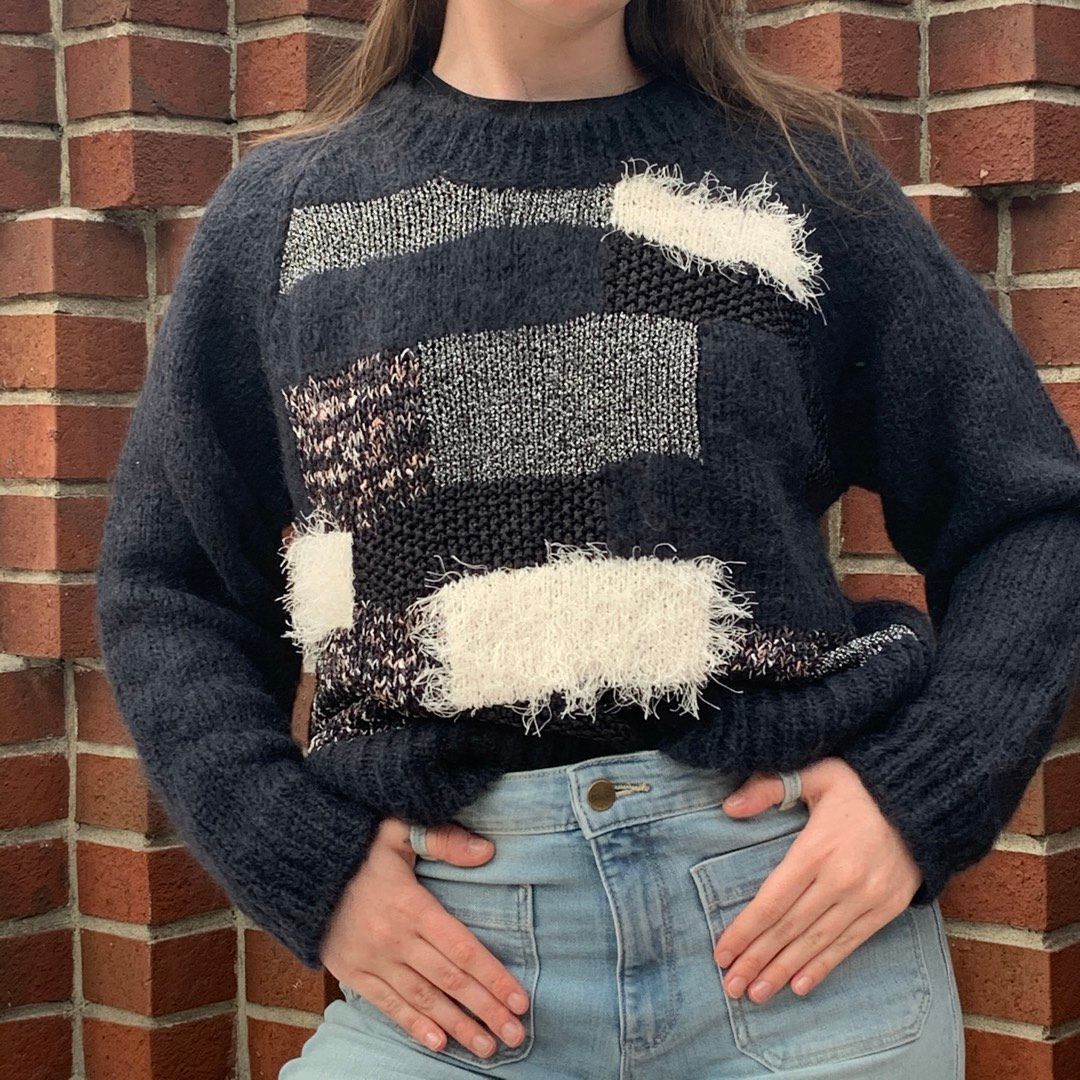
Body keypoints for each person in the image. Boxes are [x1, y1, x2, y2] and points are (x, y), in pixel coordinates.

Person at [94, 1, 1080, 1077]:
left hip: (793, 958)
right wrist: (300, 861)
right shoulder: (285, 217)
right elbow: (171, 585)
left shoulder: (797, 178)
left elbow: (1030, 512)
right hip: (455, 974)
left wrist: (921, 793)